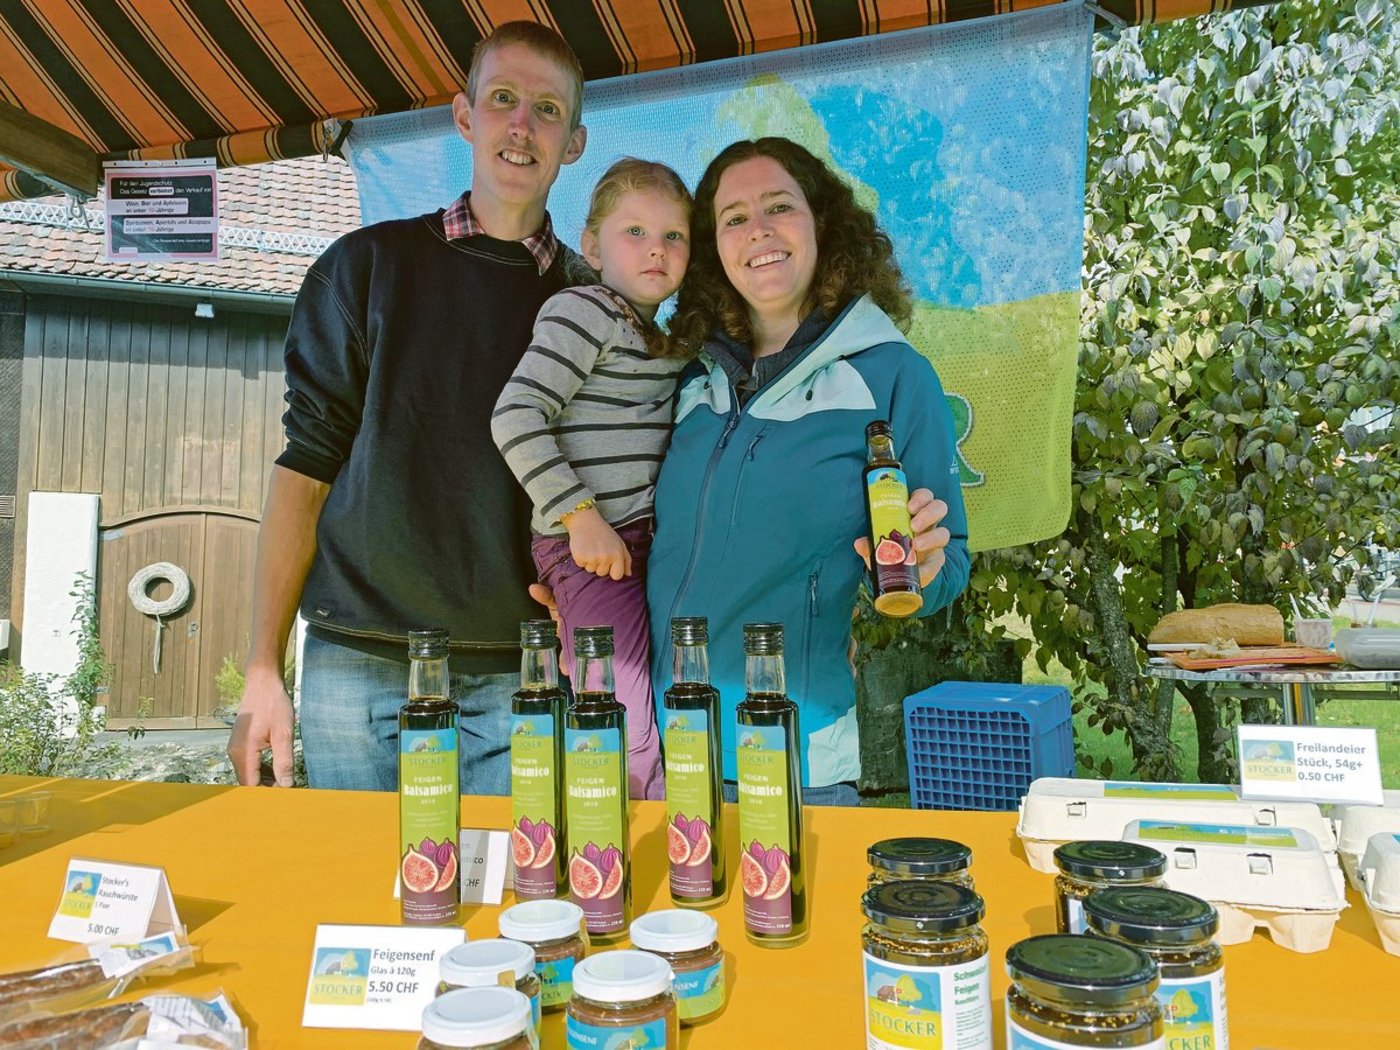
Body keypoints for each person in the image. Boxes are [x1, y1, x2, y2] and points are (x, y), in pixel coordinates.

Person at [229, 21, 589, 792]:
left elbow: (620, 484)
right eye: (502, 99)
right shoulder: (364, 269)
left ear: (574, 143)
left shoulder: (593, 302)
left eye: (548, 110)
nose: (522, 126)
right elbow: (304, 471)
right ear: (464, 117)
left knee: (513, 876)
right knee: (358, 873)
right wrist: (262, 666)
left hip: (524, 672)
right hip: (359, 663)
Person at [651, 136, 970, 806]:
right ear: (714, 248)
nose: (759, 230)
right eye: (734, 218)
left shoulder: (892, 373)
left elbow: (950, 563)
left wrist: (927, 569)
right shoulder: (686, 376)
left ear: (822, 223)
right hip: (657, 750)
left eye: (779, 207)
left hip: (793, 759)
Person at [491, 159, 692, 800]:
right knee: (621, 717)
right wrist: (581, 517)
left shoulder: (662, 338)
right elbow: (515, 414)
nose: (656, 249)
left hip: (641, 543)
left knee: (654, 700)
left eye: (674, 236)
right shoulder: (585, 310)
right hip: (588, 546)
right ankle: (628, 838)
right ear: (592, 247)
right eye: (634, 232)